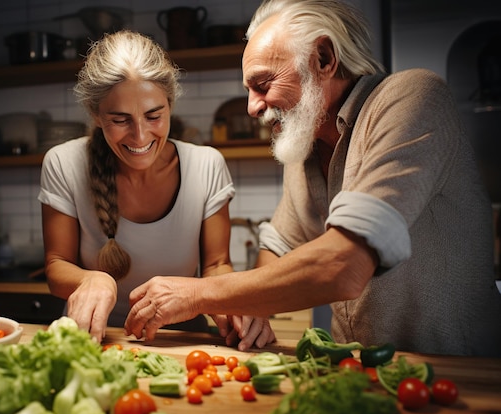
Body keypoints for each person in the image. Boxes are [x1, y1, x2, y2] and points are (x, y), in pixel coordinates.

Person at [124, 0, 501, 357]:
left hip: (457, 368)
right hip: (360, 368)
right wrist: (252, 306)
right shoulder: (308, 141)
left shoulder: (412, 97)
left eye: (263, 84)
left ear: (323, 58)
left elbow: (345, 265)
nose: (253, 107)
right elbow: (280, 244)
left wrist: (199, 294)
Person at [38, 30, 275, 349]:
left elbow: (217, 265)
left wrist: (232, 304)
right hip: (94, 341)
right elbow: (56, 266)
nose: (139, 136)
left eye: (153, 116)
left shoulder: (206, 165)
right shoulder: (63, 164)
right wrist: (91, 278)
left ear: (170, 104)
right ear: (96, 115)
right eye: (120, 119)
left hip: (183, 341)